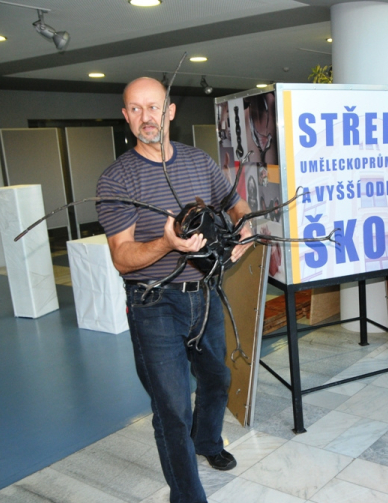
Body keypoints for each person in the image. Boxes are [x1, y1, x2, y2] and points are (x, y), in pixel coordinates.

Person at [96, 77, 252, 503]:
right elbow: (121, 256)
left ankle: (207, 441)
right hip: (153, 303)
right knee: (172, 408)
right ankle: (187, 496)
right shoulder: (117, 179)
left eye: (154, 107)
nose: (148, 117)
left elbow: (235, 203)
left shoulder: (199, 162)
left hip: (203, 293)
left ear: (171, 112)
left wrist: (244, 228)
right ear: (126, 116)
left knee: (218, 378)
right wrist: (167, 243)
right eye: (136, 109)